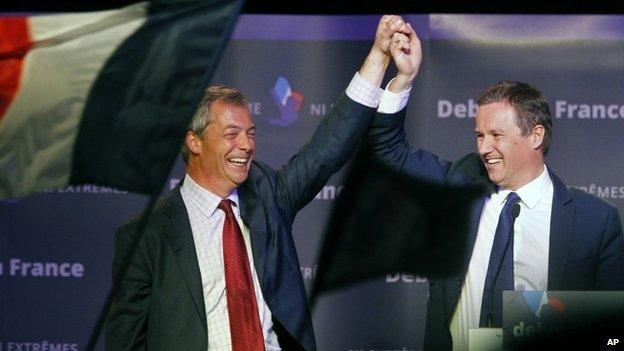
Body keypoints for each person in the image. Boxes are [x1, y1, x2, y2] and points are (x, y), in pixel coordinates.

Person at [105, 15, 416, 351]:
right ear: (194, 142)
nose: (246, 145)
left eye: (250, 133)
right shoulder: (146, 236)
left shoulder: (269, 195)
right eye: (231, 134)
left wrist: (378, 56)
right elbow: (127, 343)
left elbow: (327, 148)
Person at [369, 22, 624, 351]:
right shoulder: (458, 183)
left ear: (535, 136)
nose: (483, 148)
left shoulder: (595, 221)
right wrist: (403, 78)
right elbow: (388, 153)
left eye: (496, 136)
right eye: (479, 135)